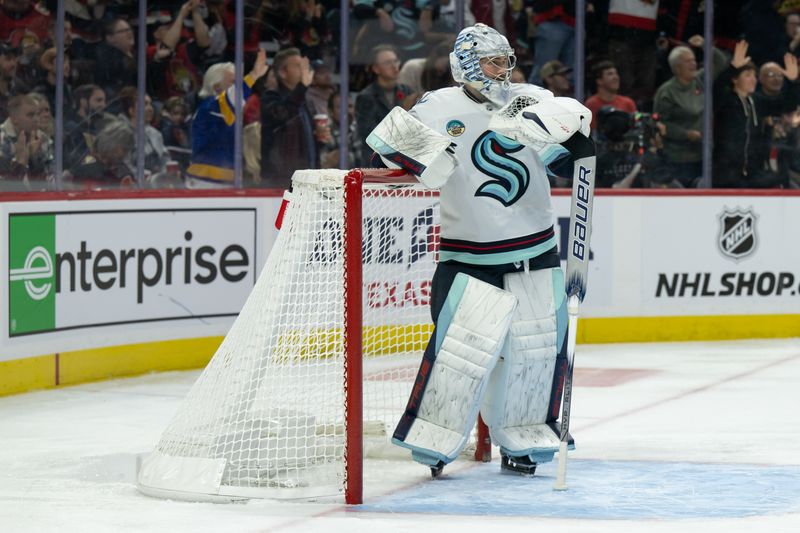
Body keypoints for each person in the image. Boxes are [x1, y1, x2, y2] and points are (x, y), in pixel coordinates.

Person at [369, 23, 590, 477]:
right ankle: (435, 444)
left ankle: (525, 441)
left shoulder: (533, 98)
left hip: (535, 248)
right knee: (458, 355)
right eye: (492, 60)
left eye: (507, 60)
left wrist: (576, 133)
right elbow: (382, 156)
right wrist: (425, 155)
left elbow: (569, 163)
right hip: (467, 253)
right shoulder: (437, 105)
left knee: (537, 349)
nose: (503, 70)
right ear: (466, 63)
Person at [186, 49, 268, 188]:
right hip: (206, 183)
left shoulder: (225, 112)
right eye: (233, 82)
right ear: (217, 87)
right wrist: (253, 75)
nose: (237, 86)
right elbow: (232, 97)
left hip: (222, 182)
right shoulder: (210, 107)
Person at [653, 36, 727, 187]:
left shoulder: (700, 80)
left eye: (694, 59)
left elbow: (721, 62)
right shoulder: (667, 92)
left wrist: (705, 45)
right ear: (677, 67)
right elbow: (661, 124)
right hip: (678, 158)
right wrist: (685, 134)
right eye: (688, 61)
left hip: (703, 154)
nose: (694, 63)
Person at [713, 40, 787, 188]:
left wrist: (794, 81)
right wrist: (733, 67)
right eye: (747, 75)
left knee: (780, 180)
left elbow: (785, 104)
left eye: (754, 75)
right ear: (735, 79)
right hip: (726, 175)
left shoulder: (756, 102)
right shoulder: (727, 102)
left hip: (752, 174)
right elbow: (716, 88)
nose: (753, 79)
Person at [260, 47, 330, 187]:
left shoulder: (304, 102)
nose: (305, 69)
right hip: (280, 181)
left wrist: (319, 137)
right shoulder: (271, 97)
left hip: (307, 180)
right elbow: (283, 115)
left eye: (305, 65)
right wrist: (302, 86)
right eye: (298, 66)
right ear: (282, 72)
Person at [355, 44, 416, 166]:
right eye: (388, 63)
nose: (395, 66)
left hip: (403, 161)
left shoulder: (406, 91)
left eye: (395, 61)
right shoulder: (366, 97)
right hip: (376, 163)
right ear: (376, 69)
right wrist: (403, 111)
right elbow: (372, 138)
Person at [585, 60, 637, 131]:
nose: (616, 77)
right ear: (599, 81)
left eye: (616, 73)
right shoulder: (591, 104)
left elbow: (635, 126)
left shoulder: (628, 103)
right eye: (610, 74)